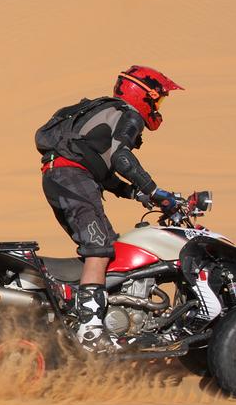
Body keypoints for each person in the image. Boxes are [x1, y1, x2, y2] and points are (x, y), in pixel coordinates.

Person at [35, 65, 183, 353]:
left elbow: (102, 170)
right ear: (144, 95)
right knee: (99, 248)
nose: (158, 108)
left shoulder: (105, 111)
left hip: (61, 177)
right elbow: (121, 158)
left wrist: (134, 192)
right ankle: (91, 331)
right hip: (72, 178)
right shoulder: (128, 114)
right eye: (159, 100)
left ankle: (97, 316)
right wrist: (155, 191)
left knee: (107, 247)